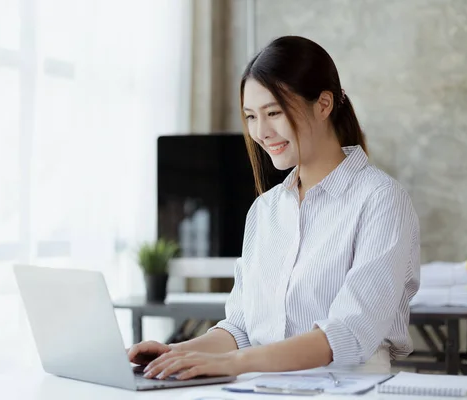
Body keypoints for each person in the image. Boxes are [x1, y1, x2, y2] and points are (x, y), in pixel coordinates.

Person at [128, 35, 420, 380]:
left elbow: (349, 334)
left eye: (274, 113)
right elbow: (239, 329)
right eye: (251, 116)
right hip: (263, 387)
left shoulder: (381, 199)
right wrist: (174, 353)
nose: (261, 132)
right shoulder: (265, 211)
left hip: (347, 387)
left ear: (324, 104)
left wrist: (234, 364)